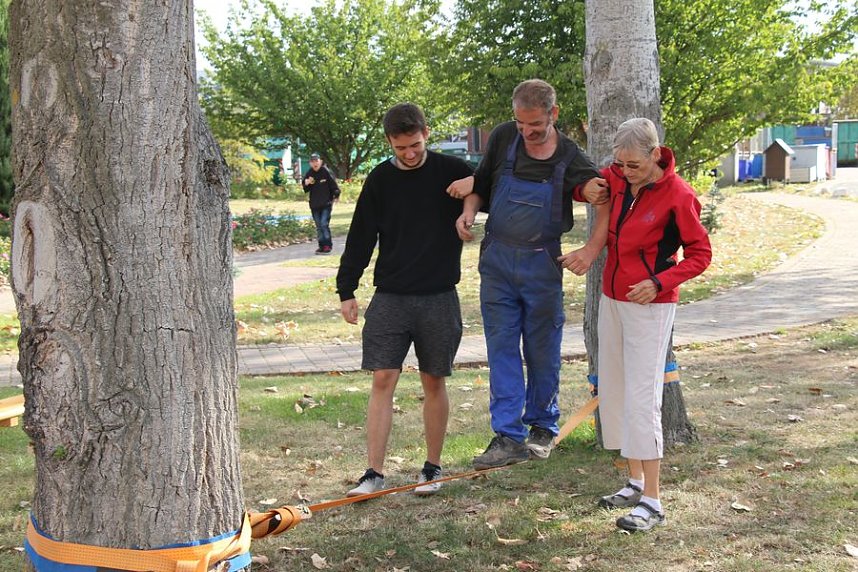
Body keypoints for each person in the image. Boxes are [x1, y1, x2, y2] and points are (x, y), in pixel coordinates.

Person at [449, 79, 609, 470]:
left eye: (535, 124)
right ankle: (507, 436)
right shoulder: (504, 138)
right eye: (521, 124)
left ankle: (542, 426)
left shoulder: (571, 156)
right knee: (501, 348)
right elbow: (481, 183)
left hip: (542, 264)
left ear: (553, 114)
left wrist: (590, 250)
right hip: (498, 261)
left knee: (542, 349)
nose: (527, 131)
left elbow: (605, 197)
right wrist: (468, 211)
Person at [336, 103, 473, 497]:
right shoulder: (380, 179)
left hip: (439, 295)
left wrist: (468, 206)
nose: (410, 154)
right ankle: (373, 473)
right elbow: (361, 236)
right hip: (391, 296)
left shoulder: (452, 169)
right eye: (401, 148)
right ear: (389, 143)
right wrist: (347, 289)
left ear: (426, 133)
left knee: (434, 379)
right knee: (383, 377)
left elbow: (487, 188)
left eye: (415, 145)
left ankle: (432, 469)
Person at [595, 117, 711, 532]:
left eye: (633, 166)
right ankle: (634, 481)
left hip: (651, 305)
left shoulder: (679, 195)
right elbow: (591, 184)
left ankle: (654, 502)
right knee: (615, 389)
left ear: (656, 155)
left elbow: (700, 253)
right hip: (611, 298)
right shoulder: (621, 176)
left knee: (644, 399)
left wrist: (660, 281)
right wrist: (585, 188)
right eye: (619, 164)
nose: (624, 173)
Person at [302, 153, 340, 254]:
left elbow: (334, 186)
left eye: (316, 161)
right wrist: (306, 183)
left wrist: (336, 196)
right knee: (318, 226)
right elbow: (306, 188)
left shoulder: (326, 172)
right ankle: (321, 246)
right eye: (312, 161)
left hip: (326, 203)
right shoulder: (309, 173)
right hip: (314, 204)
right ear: (310, 163)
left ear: (320, 162)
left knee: (324, 224)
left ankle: (327, 245)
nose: (315, 163)